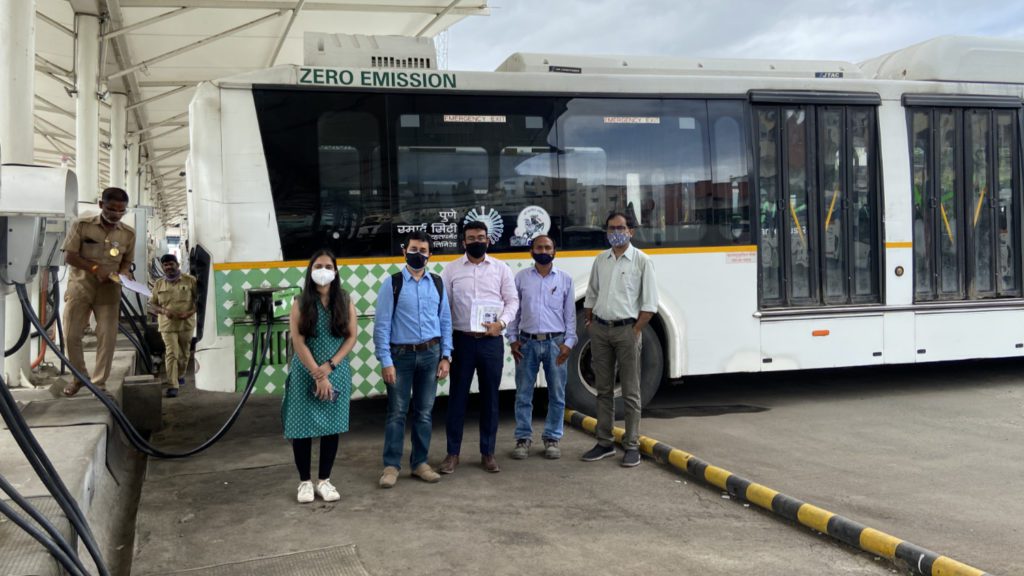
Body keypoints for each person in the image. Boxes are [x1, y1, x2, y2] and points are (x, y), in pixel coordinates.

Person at [373, 231, 453, 488]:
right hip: (401, 357)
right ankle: (391, 466)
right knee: (397, 413)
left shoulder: (437, 283)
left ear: (430, 255)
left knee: (425, 413)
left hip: (431, 355)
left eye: (423, 250)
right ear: (404, 252)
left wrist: (446, 356)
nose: (418, 254)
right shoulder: (393, 284)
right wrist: (385, 360)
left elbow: (445, 322)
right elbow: (382, 325)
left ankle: (420, 464)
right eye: (414, 249)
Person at [440, 221, 519, 474]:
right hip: (462, 341)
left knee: (490, 399)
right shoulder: (451, 270)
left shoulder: (501, 269)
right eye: (471, 238)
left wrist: (502, 324)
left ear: (489, 240)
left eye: (481, 237)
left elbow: (512, 301)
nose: (477, 241)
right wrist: (447, 344)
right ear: (464, 242)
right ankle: (452, 454)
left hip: (490, 343)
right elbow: (444, 308)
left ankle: (488, 453)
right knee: (457, 399)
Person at [581, 212, 658, 468]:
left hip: (627, 331)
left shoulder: (642, 261)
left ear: (631, 231)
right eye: (612, 228)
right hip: (601, 331)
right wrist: (591, 322)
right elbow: (591, 293)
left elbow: (649, 304)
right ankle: (604, 442)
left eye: (621, 228)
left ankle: (632, 445)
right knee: (603, 390)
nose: (616, 232)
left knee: (631, 391)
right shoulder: (601, 260)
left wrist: (636, 329)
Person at [281, 250, 357, 503]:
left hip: (336, 371)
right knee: (301, 429)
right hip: (306, 372)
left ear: (335, 272)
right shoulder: (300, 302)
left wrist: (331, 367)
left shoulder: (344, 300)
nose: (323, 270)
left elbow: (351, 336)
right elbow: (298, 341)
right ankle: (304, 482)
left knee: (331, 428)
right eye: (318, 266)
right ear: (310, 271)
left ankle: (324, 480)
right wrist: (317, 373)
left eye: (328, 266)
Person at [60, 187, 136, 396]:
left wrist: (124, 273)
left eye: (121, 211)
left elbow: (127, 261)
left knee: (107, 337)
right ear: (101, 205)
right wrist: (94, 268)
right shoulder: (82, 226)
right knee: (71, 334)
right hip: (81, 287)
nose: (116, 214)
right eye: (112, 209)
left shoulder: (128, 233)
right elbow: (70, 256)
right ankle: (79, 377)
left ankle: (99, 383)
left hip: (109, 291)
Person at [507, 235, 576, 460]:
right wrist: (512, 339)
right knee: (523, 394)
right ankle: (523, 438)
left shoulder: (565, 279)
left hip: (555, 343)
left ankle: (552, 437)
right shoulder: (521, 278)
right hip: (526, 343)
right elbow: (514, 312)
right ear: (531, 251)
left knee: (556, 394)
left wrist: (568, 343)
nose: (543, 250)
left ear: (555, 251)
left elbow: (570, 316)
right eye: (539, 247)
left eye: (548, 247)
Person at [148, 254, 198, 398]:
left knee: (184, 354)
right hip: (167, 325)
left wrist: (189, 313)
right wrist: (163, 311)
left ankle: (180, 374)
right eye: (165, 265)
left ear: (177, 264)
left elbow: (199, 301)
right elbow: (152, 304)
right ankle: (172, 385)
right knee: (171, 353)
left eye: (171, 264)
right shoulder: (159, 284)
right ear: (163, 267)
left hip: (186, 324)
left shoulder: (190, 281)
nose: (168, 267)